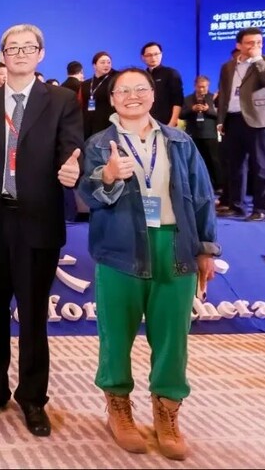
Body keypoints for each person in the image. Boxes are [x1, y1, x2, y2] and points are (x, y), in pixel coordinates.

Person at [78, 67, 219, 460]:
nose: (133, 96)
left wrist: (205, 249)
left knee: (173, 337)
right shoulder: (99, 144)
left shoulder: (179, 141)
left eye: (140, 88)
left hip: (174, 246)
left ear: (153, 95)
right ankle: (118, 408)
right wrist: (108, 176)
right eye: (123, 91)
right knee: (115, 334)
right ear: (112, 99)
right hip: (119, 249)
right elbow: (87, 195)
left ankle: (167, 411)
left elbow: (202, 195)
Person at [0, 24, 83, 437]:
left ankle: (32, 398)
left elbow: (71, 146)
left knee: (33, 315)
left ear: (40, 54)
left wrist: (72, 167)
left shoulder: (60, 100)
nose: (19, 53)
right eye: (11, 48)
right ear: (2, 55)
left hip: (37, 220)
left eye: (27, 47)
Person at [215, 27, 265, 222]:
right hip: (233, 120)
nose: (255, 46)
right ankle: (236, 206)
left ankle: (261, 208)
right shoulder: (227, 67)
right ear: (239, 45)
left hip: (260, 121)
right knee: (235, 167)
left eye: (259, 42)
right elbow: (224, 94)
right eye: (250, 43)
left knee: (262, 166)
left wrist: (257, 59)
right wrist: (221, 120)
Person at [180, 75, 221, 191]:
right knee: (195, 161)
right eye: (200, 87)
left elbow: (220, 115)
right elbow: (181, 115)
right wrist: (192, 109)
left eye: (205, 87)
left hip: (210, 134)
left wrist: (208, 110)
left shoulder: (214, 98)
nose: (202, 89)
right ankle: (198, 186)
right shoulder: (188, 99)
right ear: (195, 86)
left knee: (214, 161)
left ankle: (218, 185)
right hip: (193, 134)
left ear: (208, 86)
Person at [141, 42, 184, 126]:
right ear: (143, 57)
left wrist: (172, 123)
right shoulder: (142, 75)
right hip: (145, 122)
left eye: (156, 54)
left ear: (161, 54)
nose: (153, 57)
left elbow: (178, 100)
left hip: (166, 122)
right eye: (149, 55)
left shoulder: (171, 73)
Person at [81, 51, 116, 138]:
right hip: (87, 123)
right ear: (94, 65)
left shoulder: (114, 82)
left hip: (107, 122)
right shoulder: (85, 84)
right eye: (103, 62)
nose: (106, 65)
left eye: (109, 62)